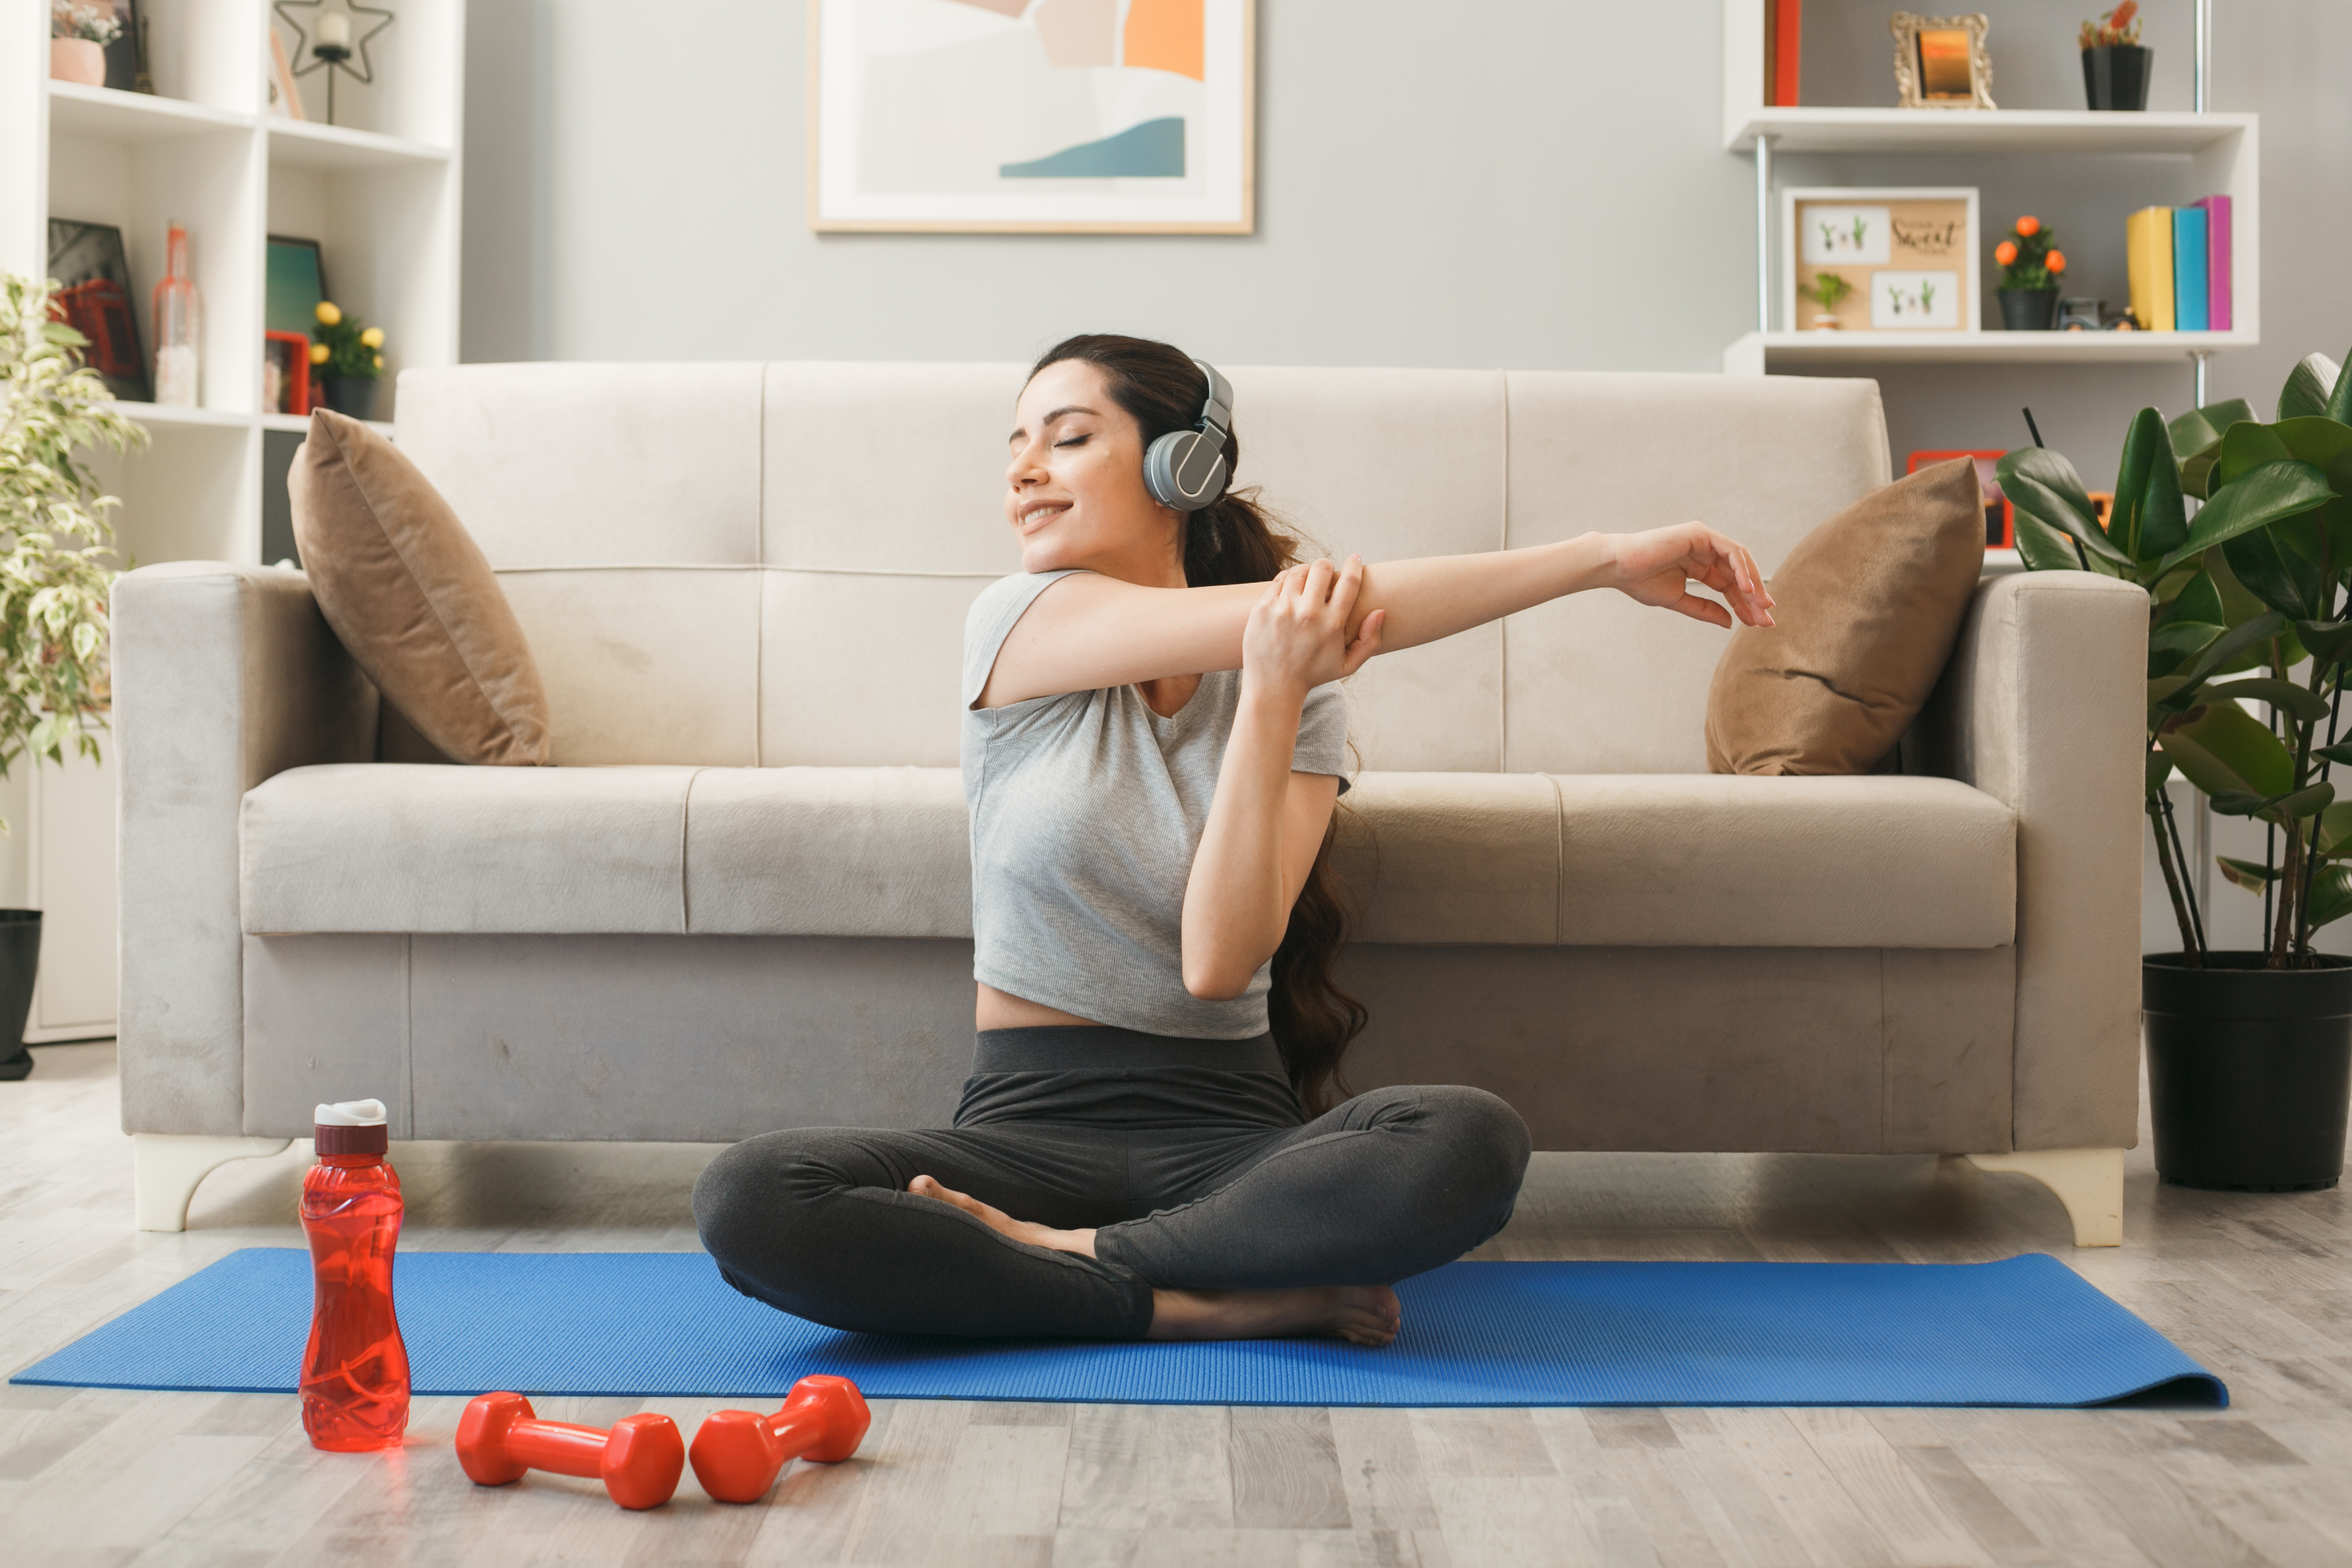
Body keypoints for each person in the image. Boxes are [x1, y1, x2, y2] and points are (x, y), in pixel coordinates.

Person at [694, 334, 1775, 1345]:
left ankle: (1072, 1263)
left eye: (1067, 437)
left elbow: (1217, 966)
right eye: (1015, 443)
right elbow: (1347, 606)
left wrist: (1269, 693)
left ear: (1184, 469)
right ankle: (1215, 1309)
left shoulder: (1301, 693)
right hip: (1022, 1131)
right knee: (752, 1198)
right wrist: (1598, 557)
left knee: (1471, 1140)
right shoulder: (1016, 624)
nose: (1024, 469)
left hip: (1234, 1138)